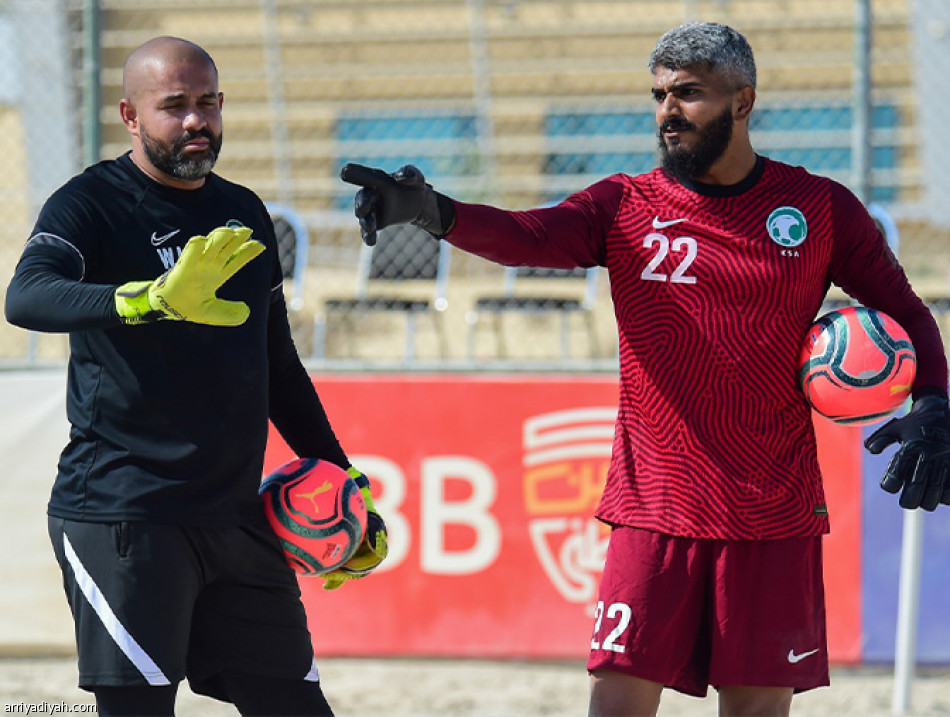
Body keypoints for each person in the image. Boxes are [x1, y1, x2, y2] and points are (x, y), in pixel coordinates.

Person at [340, 21, 950, 717]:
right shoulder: (625, 206)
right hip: (654, 509)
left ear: (742, 100)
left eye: (688, 93)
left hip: (772, 511)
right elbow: (526, 236)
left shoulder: (817, 208)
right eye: (659, 94)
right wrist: (431, 211)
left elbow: (909, 314)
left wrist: (933, 403)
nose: (667, 111)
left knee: (756, 710)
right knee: (617, 704)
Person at [5, 36, 387, 716]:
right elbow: (27, 295)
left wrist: (342, 476)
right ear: (129, 114)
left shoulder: (243, 212)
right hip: (126, 517)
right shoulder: (90, 202)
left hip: (238, 520)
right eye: (174, 105)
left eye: (207, 103)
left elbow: (277, 365)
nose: (195, 121)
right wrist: (146, 298)